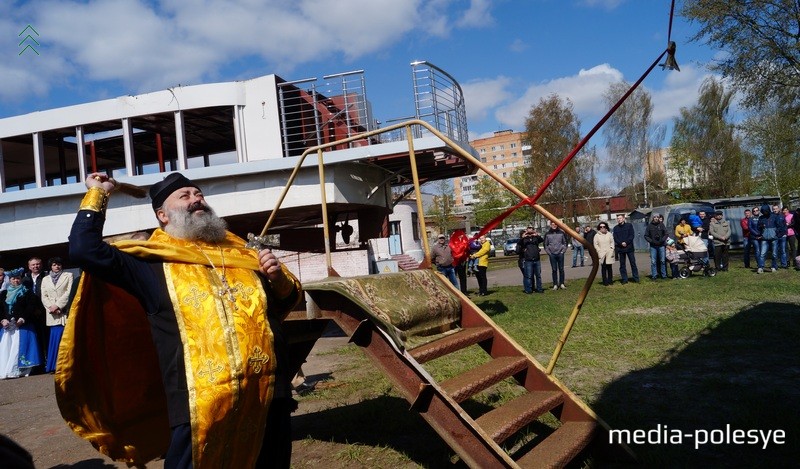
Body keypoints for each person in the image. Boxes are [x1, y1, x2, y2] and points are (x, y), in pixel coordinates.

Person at [62, 172, 302, 468]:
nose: (196, 200)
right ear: (162, 214)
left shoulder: (240, 252)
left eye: (198, 194)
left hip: (267, 394)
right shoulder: (150, 264)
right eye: (185, 196)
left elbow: (285, 302)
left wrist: (278, 279)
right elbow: (84, 250)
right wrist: (99, 192)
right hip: (197, 402)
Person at [0, 268, 42, 379]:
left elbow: (31, 307)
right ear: (10, 280)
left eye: (18, 278)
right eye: (13, 279)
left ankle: (19, 370)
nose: (16, 281)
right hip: (7, 326)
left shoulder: (27, 292)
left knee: (18, 347)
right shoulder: (4, 293)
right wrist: (3, 319)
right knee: (6, 348)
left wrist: (22, 318)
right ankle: (5, 370)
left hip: (22, 325)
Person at [39, 257, 74, 373]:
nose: (57, 266)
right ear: (51, 266)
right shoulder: (45, 279)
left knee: (64, 338)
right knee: (54, 338)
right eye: (54, 265)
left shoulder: (68, 275)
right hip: (52, 314)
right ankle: (53, 366)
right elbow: (44, 296)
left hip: (63, 311)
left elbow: (68, 292)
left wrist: (58, 306)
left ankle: (66, 365)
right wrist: (51, 308)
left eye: (59, 264)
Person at [22, 257, 47, 373]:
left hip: (44, 311)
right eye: (33, 265)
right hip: (30, 314)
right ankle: (37, 364)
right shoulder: (24, 278)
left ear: (41, 265)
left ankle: (46, 362)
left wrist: (40, 308)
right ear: (29, 266)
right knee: (33, 339)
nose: (35, 266)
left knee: (44, 338)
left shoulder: (46, 276)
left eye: (37, 264)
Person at [612, 214, 639, 284]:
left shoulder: (629, 226)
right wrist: (621, 243)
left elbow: (632, 235)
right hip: (621, 249)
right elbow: (615, 238)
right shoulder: (615, 228)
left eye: (620, 218)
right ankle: (624, 279)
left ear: (623, 219)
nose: (619, 219)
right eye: (618, 218)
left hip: (629, 248)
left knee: (633, 263)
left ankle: (636, 278)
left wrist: (626, 242)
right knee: (622, 265)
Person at [517, 226, 544, 294]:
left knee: (538, 275)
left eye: (531, 230)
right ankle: (529, 290)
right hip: (528, 259)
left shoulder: (535, 238)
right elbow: (519, 244)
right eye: (528, 230)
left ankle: (539, 288)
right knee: (529, 276)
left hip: (536, 259)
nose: (529, 232)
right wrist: (523, 236)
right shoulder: (524, 239)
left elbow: (541, 240)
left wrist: (536, 234)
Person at [757, 203, 781, 273]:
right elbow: (758, 227)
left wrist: (776, 233)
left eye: (766, 211)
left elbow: (779, 226)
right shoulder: (761, 218)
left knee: (774, 253)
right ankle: (760, 267)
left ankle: (774, 266)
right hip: (764, 238)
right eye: (763, 212)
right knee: (762, 253)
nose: (764, 213)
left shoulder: (774, 216)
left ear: (768, 210)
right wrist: (760, 227)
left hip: (774, 238)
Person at [544, 221, 568, 290]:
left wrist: (562, 251)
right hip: (552, 254)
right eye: (552, 224)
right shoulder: (547, 234)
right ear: (550, 225)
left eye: (555, 224)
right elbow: (545, 245)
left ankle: (562, 283)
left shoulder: (561, 233)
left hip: (560, 253)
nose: (554, 225)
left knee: (561, 269)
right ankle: (555, 284)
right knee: (554, 269)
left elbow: (565, 243)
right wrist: (549, 253)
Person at [644, 213, 668, 280]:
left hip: (661, 246)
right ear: (653, 218)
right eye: (655, 217)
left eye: (657, 217)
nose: (656, 218)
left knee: (663, 261)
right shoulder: (649, 226)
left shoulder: (662, 225)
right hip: (653, 246)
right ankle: (654, 275)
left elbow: (666, 234)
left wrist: (662, 240)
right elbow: (646, 236)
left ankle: (664, 275)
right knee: (653, 262)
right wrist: (651, 241)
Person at [449, 230, 470, 295]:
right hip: (454, 262)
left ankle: (464, 291)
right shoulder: (452, 242)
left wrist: (466, 257)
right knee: (453, 277)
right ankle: (454, 291)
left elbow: (467, 250)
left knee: (463, 276)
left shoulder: (464, 242)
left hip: (462, 261)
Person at [748, 206, 764, 272]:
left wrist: (761, 234)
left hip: (762, 236)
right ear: (752, 212)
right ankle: (759, 265)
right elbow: (750, 228)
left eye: (757, 210)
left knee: (762, 252)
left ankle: (762, 264)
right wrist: (757, 234)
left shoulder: (762, 218)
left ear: (759, 211)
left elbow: (764, 227)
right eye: (754, 211)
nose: (755, 212)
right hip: (754, 237)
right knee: (757, 251)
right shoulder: (751, 219)